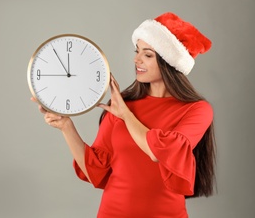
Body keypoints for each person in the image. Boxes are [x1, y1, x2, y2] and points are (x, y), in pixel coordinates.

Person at [31, 12, 216, 217]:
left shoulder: (196, 110)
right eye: (136, 51)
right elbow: (96, 172)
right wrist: (65, 125)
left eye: (147, 55)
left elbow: (160, 152)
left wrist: (126, 115)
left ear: (169, 63)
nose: (136, 59)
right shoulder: (123, 105)